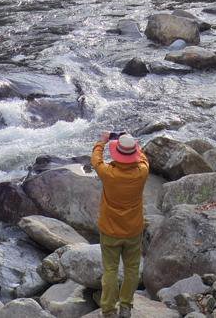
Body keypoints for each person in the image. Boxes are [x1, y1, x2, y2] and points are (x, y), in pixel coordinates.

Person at [91, 129, 150, 318]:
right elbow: (142, 157)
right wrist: (131, 140)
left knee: (110, 270)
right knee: (132, 269)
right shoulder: (142, 171)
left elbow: (96, 159)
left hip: (110, 230)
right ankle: (125, 306)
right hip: (133, 231)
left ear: (117, 154)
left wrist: (102, 141)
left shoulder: (108, 173)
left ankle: (108, 310)